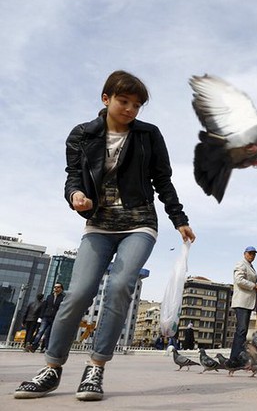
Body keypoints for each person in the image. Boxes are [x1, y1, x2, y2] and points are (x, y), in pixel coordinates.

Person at [15, 71, 196, 401]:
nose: (130, 109)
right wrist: (75, 197)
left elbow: (163, 180)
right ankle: (51, 368)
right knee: (79, 293)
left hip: (139, 222)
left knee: (119, 285)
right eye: (124, 101)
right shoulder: (82, 135)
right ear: (106, 99)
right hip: (98, 225)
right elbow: (73, 178)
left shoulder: (148, 135)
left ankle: (95, 367)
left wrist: (178, 218)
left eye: (137, 105)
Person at [227, 246, 257, 369]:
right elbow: (239, 280)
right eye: (250, 253)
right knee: (241, 331)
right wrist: (254, 286)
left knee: (242, 332)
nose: (252, 256)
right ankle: (234, 359)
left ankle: (239, 358)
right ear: (245, 254)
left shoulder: (250, 266)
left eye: (254, 254)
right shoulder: (241, 264)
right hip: (242, 302)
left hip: (247, 303)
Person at [28, 284, 66, 353]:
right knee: (40, 331)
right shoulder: (49, 297)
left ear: (61, 289)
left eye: (58, 287)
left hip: (55, 318)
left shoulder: (63, 298)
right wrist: (41, 316)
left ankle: (46, 348)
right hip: (46, 317)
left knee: (48, 334)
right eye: (55, 287)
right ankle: (34, 345)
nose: (56, 288)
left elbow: (62, 309)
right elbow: (44, 307)